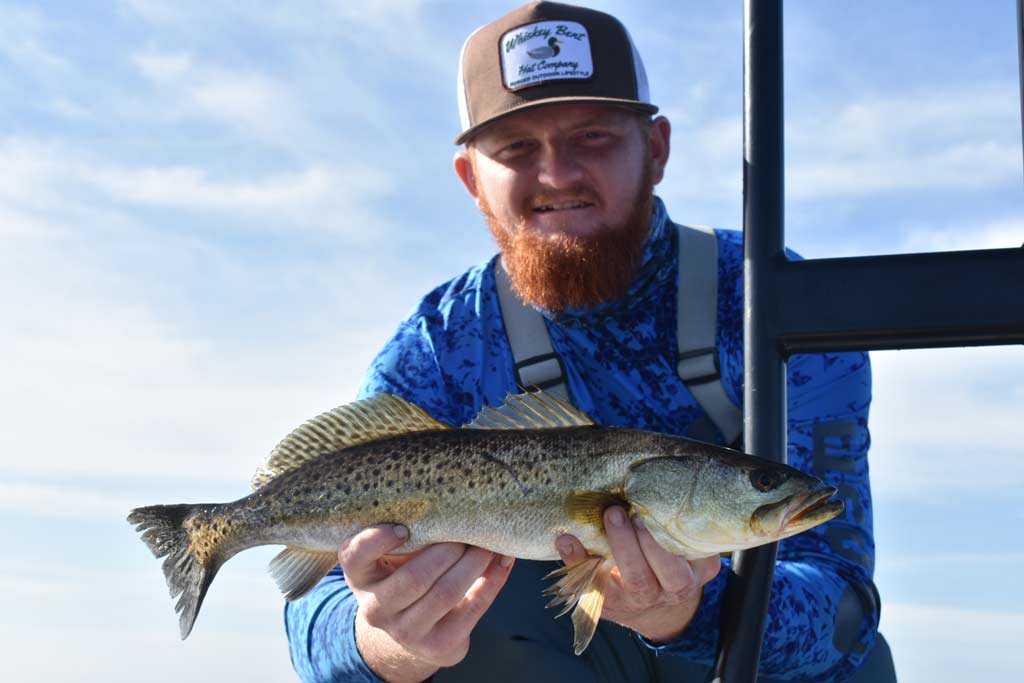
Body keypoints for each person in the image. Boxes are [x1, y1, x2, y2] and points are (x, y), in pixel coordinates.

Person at [285, 3, 882, 682]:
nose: (559, 173)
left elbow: (845, 608)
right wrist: (389, 640)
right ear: (470, 177)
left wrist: (686, 609)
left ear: (655, 148)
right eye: (515, 148)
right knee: (485, 590)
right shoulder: (436, 351)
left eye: (592, 135)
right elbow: (314, 612)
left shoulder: (773, 304)